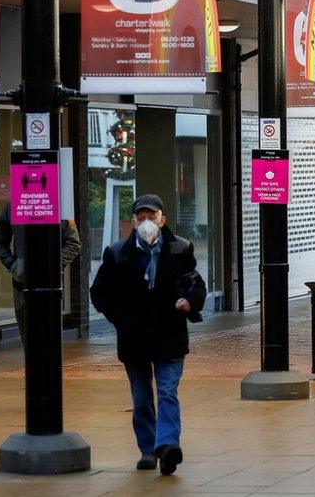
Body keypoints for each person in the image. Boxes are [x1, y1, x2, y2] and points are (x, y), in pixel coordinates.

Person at [90, 194, 207, 475]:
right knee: (141, 397)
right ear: (133, 222)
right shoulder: (117, 253)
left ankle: (167, 446)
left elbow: (194, 283)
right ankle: (147, 448)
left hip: (169, 336)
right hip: (135, 338)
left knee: (167, 391)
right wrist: (122, 320)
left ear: (162, 219)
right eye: (140, 218)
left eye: (151, 217)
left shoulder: (181, 249)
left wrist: (189, 301)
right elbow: (100, 292)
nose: (146, 223)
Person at [0, 204, 82, 343]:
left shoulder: (59, 206)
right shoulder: (13, 207)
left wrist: (52, 266)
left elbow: (73, 243)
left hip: (50, 284)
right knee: (28, 338)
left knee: (49, 337)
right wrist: (14, 265)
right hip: (22, 284)